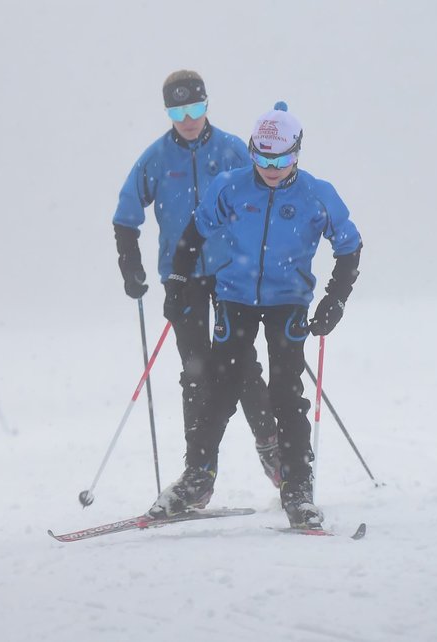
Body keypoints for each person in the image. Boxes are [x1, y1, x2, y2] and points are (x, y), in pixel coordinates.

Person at [149, 102, 363, 528]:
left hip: (288, 302)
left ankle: (297, 488)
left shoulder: (316, 194)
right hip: (236, 298)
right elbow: (194, 232)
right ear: (251, 150)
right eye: (261, 156)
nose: (270, 166)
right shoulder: (231, 187)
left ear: (297, 152)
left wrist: (334, 300)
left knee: (286, 394)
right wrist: (178, 279)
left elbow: (349, 247)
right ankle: (197, 478)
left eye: (280, 158)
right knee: (219, 388)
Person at [112, 70, 280, 486]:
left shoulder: (232, 151)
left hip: (231, 276)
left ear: (208, 105)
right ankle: (199, 475)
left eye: (196, 108)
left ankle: (275, 453)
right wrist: (129, 263)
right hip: (181, 278)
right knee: (195, 373)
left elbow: (266, 198)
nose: (188, 118)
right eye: (178, 109)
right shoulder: (155, 158)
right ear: (168, 111)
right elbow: (126, 214)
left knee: (241, 367)